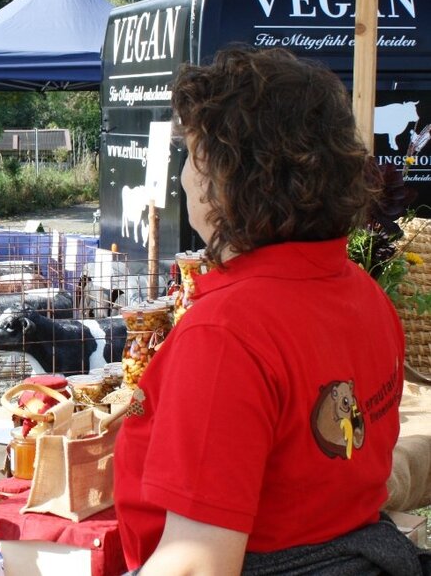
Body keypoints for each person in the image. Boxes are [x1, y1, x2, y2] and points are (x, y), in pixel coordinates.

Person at [113, 47, 420, 574]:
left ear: (222, 178)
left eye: (193, 154)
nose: (184, 176)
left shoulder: (228, 332)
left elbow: (197, 564)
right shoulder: (362, 295)